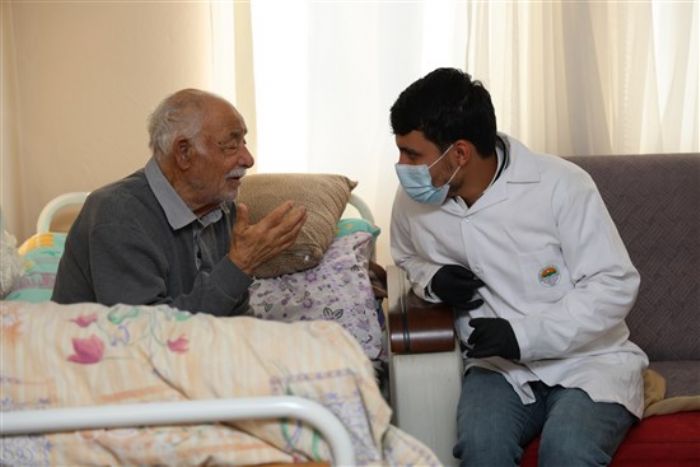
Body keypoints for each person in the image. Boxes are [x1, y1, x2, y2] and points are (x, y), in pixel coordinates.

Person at [389, 68, 647, 466]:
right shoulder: (413, 202)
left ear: (459, 153)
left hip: (588, 362)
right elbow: (406, 258)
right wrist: (433, 280)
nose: (402, 165)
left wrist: (524, 335)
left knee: (566, 451)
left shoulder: (561, 185)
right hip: (499, 368)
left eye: (412, 154)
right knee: (481, 448)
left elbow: (614, 284)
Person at [52, 89, 306, 316]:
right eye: (231, 145)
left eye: (244, 143)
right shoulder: (117, 214)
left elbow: (234, 317)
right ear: (184, 153)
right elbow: (146, 336)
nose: (248, 159)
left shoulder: (220, 207)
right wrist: (239, 265)